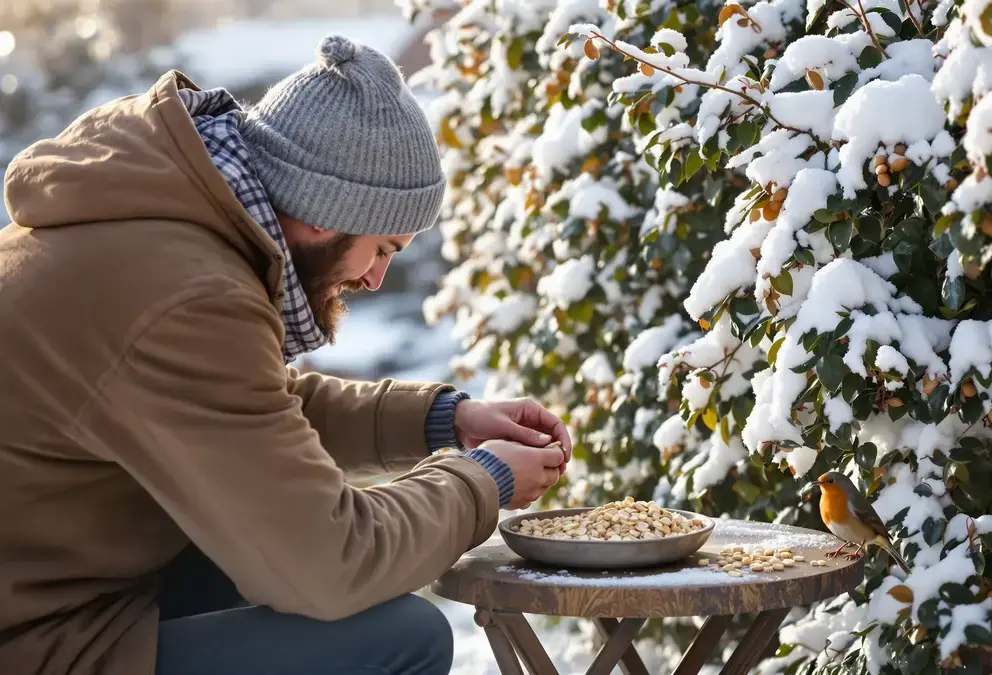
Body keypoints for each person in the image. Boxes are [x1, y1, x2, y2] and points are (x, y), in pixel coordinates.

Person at [0, 35, 571, 675]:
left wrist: (442, 421)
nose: (375, 277)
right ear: (326, 213)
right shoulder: (185, 294)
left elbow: (239, 411)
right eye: (383, 247)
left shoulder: (150, 225)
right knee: (401, 640)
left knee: (257, 554)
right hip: (35, 643)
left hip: (57, 601)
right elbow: (332, 562)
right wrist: (485, 481)